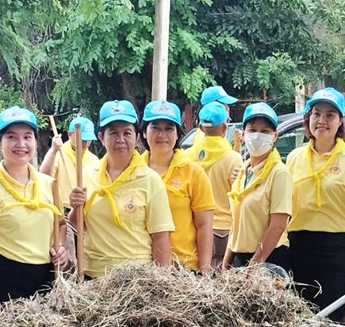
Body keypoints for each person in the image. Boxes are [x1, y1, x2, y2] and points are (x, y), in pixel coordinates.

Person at [285, 87, 345, 321]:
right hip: (299, 244)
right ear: (309, 120)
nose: (322, 121)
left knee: (332, 317)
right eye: (317, 114)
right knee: (302, 317)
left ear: (340, 122)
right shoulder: (294, 157)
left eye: (330, 115)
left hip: (337, 247)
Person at [0, 107, 66, 314]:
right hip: (8, 276)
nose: (21, 144)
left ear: (35, 140)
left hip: (46, 276)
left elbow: (60, 224)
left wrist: (59, 248)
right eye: (12, 137)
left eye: (27, 137)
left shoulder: (49, 184)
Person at [69, 100, 174, 277]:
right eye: (113, 133)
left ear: (137, 137)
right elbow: (79, 225)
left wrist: (162, 283)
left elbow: (160, 237)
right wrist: (75, 206)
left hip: (136, 279)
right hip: (93, 274)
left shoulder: (150, 180)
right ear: (101, 137)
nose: (121, 140)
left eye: (127, 133)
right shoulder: (86, 175)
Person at [142, 100, 216, 272]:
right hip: (142, 267)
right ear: (144, 133)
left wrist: (204, 271)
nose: (162, 135)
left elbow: (204, 225)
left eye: (169, 128)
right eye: (155, 127)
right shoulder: (134, 171)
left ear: (177, 134)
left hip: (183, 268)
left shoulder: (193, 172)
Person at [224, 102, 293, 271]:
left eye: (265, 132)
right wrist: (225, 265)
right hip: (241, 259)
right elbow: (237, 224)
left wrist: (254, 267)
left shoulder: (279, 173)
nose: (258, 136)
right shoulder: (243, 171)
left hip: (268, 259)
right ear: (243, 134)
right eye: (253, 130)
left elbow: (277, 226)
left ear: (275, 136)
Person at [39, 115, 100, 272]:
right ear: (70, 134)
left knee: (86, 257)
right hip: (64, 213)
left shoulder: (93, 160)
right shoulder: (59, 153)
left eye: (87, 140)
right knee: (68, 260)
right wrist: (53, 150)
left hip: (85, 214)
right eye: (81, 139)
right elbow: (44, 175)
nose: (85, 143)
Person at [190, 101, 241, 264]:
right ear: (225, 128)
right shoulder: (233, 158)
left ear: (199, 127)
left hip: (195, 227)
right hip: (224, 232)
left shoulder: (186, 156)